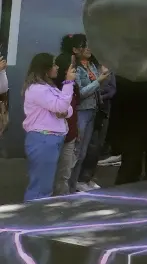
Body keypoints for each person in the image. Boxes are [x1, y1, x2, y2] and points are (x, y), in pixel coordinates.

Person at [22, 53, 75, 201]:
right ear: (45, 68)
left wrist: (61, 110)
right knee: (40, 188)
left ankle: (38, 217)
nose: (57, 67)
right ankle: (32, 219)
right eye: (54, 64)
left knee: (44, 185)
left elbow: (67, 110)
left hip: (50, 139)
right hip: (43, 140)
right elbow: (62, 105)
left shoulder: (48, 86)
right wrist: (69, 83)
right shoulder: (37, 89)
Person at [62, 33, 110, 192]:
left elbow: (99, 88)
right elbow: (80, 93)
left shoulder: (91, 65)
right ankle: (67, 186)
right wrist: (99, 81)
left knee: (83, 151)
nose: (89, 48)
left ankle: (75, 184)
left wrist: (103, 78)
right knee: (76, 150)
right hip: (81, 112)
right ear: (75, 49)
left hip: (93, 110)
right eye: (84, 45)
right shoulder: (74, 67)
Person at [51, 52, 83, 195]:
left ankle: (62, 202)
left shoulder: (73, 86)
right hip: (55, 136)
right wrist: (68, 83)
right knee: (52, 173)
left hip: (70, 135)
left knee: (65, 173)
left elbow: (74, 111)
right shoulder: (52, 88)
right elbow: (61, 109)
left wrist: (76, 131)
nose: (75, 68)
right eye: (72, 65)